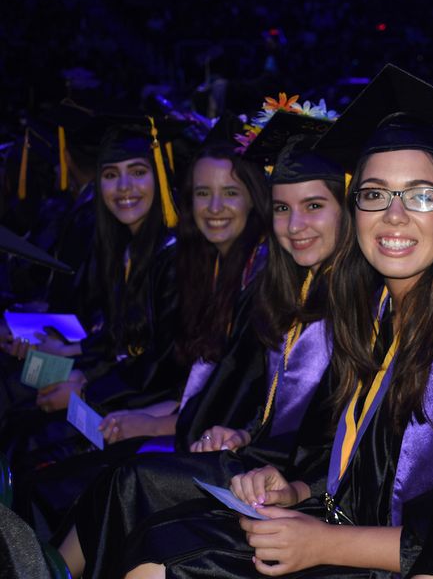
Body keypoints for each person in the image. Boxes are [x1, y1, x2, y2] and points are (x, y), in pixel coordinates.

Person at [118, 64, 433, 579]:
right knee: (158, 539)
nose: (394, 215)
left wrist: (325, 542)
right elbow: (347, 457)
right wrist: (295, 488)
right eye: (374, 194)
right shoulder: (373, 313)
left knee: (166, 566)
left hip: (397, 563)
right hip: (340, 529)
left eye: (421, 195)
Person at [58, 113, 347, 579]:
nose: (295, 224)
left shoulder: (350, 303)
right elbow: (276, 404)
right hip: (265, 461)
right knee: (115, 481)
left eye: (314, 205)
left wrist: (286, 476)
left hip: (306, 488)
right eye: (282, 207)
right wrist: (243, 433)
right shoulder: (289, 286)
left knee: (129, 485)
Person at [20, 139, 271, 533]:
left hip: (210, 447)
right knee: (31, 441)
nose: (214, 207)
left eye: (230, 193)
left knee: (56, 477)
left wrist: (92, 392)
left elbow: (190, 384)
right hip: (161, 416)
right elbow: (187, 382)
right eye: (202, 193)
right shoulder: (203, 265)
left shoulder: (249, 283)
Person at [1, 117, 187, 475]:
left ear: (161, 177)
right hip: (113, 386)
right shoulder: (124, 247)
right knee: (20, 403)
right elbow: (118, 339)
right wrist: (69, 357)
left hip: (142, 406)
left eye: (138, 172)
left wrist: (85, 389)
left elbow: (159, 368)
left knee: (29, 439)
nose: (124, 187)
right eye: (111, 175)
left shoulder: (174, 259)